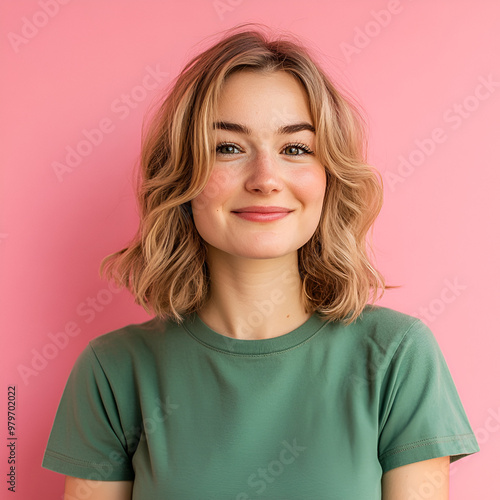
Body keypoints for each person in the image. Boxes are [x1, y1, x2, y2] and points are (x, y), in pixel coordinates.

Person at [42, 24, 479, 499]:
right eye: (228, 147)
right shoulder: (113, 371)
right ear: (182, 174)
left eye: (295, 148)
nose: (265, 179)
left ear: (328, 177)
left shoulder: (397, 357)